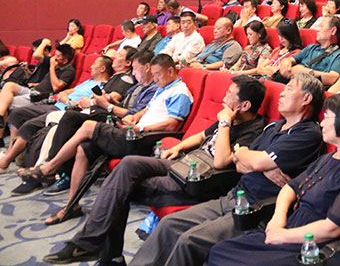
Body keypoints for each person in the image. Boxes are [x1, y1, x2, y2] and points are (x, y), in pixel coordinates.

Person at [42, 76, 267, 265]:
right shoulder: (227, 117)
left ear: (245, 105)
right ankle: (99, 249)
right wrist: (178, 147)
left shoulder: (254, 129)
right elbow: (202, 136)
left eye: (230, 94)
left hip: (201, 180)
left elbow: (221, 162)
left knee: (119, 190)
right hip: (185, 164)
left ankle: (101, 251)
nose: (224, 98)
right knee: (129, 163)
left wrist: (225, 123)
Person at [124, 73, 324, 266]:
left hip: (256, 208)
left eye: (289, 89)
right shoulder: (274, 126)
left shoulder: (308, 133)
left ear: (306, 99)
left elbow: (254, 161)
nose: (282, 93)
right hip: (234, 196)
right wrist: (254, 160)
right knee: (169, 224)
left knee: (189, 239)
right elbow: (239, 162)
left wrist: (252, 159)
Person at [208, 92, 340, 266]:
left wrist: (283, 236)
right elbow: (290, 187)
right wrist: (278, 218)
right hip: (290, 226)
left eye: (328, 117)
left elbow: (333, 228)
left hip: (311, 246)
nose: (322, 122)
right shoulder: (328, 158)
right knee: (221, 250)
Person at [23, 54, 191, 203]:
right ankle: (72, 204)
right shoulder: (163, 89)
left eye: (158, 74)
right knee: (83, 148)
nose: (155, 79)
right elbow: (146, 111)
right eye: (153, 74)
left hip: (145, 139)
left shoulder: (180, 91)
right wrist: (133, 118)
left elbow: (172, 124)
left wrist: (141, 128)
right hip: (134, 131)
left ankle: (49, 167)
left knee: (88, 125)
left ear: (170, 71)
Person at [0, 55, 115, 173]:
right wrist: (64, 94)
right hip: (54, 104)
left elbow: (85, 105)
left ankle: (5, 162)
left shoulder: (101, 87)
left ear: (102, 69)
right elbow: (70, 90)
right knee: (17, 113)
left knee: (29, 125)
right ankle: (10, 151)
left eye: (94, 64)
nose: (91, 66)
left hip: (64, 111)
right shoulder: (89, 81)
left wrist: (67, 100)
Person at [0, 43, 75, 127]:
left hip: (40, 97)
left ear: (65, 61)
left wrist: (52, 67)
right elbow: (47, 82)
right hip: (33, 90)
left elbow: (56, 87)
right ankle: (0, 116)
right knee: (9, 85)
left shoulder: (69, 71)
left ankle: (2, 128)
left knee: (4, 103)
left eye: (57, 56)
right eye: (55, 55)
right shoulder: (57, 65)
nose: (54, 58)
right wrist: (36, 84)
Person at [280, 16, 340, 86]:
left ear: (333, 31)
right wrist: (286, 62)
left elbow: (332, 78)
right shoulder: (311, 47)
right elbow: (291, 59)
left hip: (309, 87)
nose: (317, 29)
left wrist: (305, 72)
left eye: (321, 26)